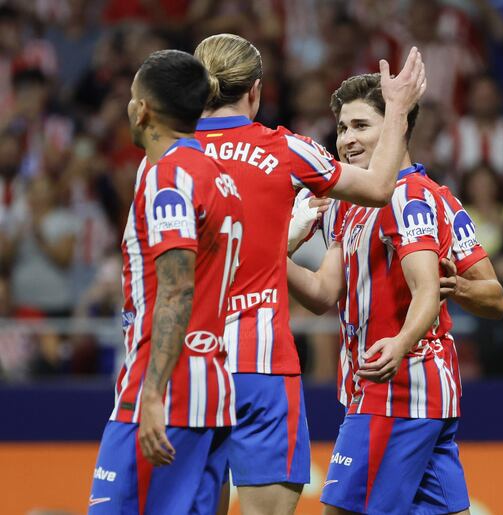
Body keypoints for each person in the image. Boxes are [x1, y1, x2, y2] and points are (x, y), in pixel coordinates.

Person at [192, 34, 426, 515]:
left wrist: (278, 247)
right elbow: (382, 187)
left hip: (189, 367)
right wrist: (398, 107)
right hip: (261, 368)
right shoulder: (285, 148)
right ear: (255, 91)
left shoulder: (166, 159)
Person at [287, 73, 502, 515]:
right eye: (343, 128)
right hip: (407, 392)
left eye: (361, 126)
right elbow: (323, 293)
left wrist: (417, 326)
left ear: (397, 127)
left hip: (399, 388)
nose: (346, 139)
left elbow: (492, 297)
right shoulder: (348, 204)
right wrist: (267, 252)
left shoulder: (410, 197)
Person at [88, 49, 244, 513]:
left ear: (143, 109)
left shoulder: (168, 178)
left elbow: (177, 287)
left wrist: (152, 395)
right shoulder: (219, 177)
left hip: (166, 389)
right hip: (211, 386)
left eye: (132, 98)